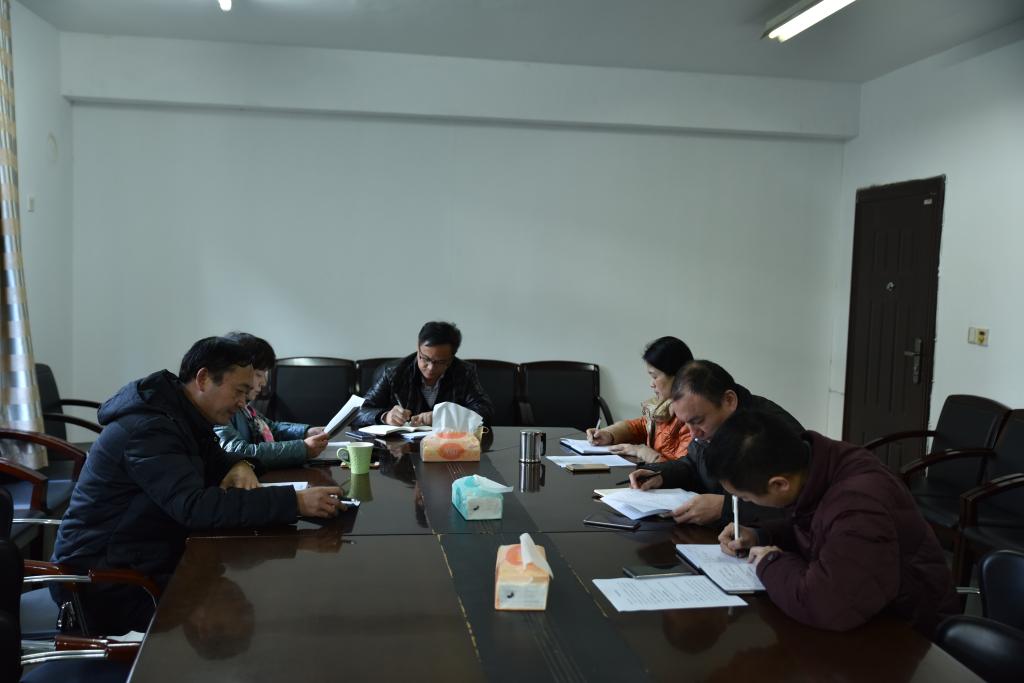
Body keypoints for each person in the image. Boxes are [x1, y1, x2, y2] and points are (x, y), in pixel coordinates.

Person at [51, 337, 344, 635]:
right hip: (105, 582)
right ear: (203, 379)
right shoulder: (150, 429)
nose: (243, 403)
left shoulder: (183, 415)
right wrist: (295, 502)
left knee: (253, 571)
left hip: (144, 553)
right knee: (259, 583)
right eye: (239, 391)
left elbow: (216, 460)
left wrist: (238, 464)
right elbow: (195, 507)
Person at [709, 411, 959, 636]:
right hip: (871, 611)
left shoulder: (858, 506)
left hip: (910, 633)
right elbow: (819, 527)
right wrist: (761, 535)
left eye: (746, 498)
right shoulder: (819, 462)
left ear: (779, 484)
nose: (747, 502)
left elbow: (827, 604)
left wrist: (771, 563)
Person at [628, 360, 802, 527]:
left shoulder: (771, 433)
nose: (692, 433)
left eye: (698, 421)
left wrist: (724, 508)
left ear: (729, 400)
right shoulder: (709, 422)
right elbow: (693, 464)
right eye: (686, 423)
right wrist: (661, 475)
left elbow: (797, 507)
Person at [214, 332, 330, 468]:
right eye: (259, 375)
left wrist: (306, 432)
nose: (264, 382)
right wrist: (303, 448)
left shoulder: (246, 409)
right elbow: (237, 451)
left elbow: (271, 428)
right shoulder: (221, 408)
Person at [353, 321, 494, 428]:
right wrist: (385, 416)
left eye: (440, 362)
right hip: (401, 450)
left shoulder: (464, 372)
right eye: (425, 358)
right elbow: (358, 413)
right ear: (418, 347)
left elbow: (485, 412)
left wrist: (444, 417)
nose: (430, 368)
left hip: (448, 447)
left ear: (452, 358)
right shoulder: (393, 372)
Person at [586, 336, 694, 463]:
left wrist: (641, 451)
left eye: (655, 376)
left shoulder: (691, 418)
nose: (651, 384)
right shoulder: (664, 406)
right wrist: (609, 434)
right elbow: (642, 426)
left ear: (678, 376)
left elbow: (682, 470)